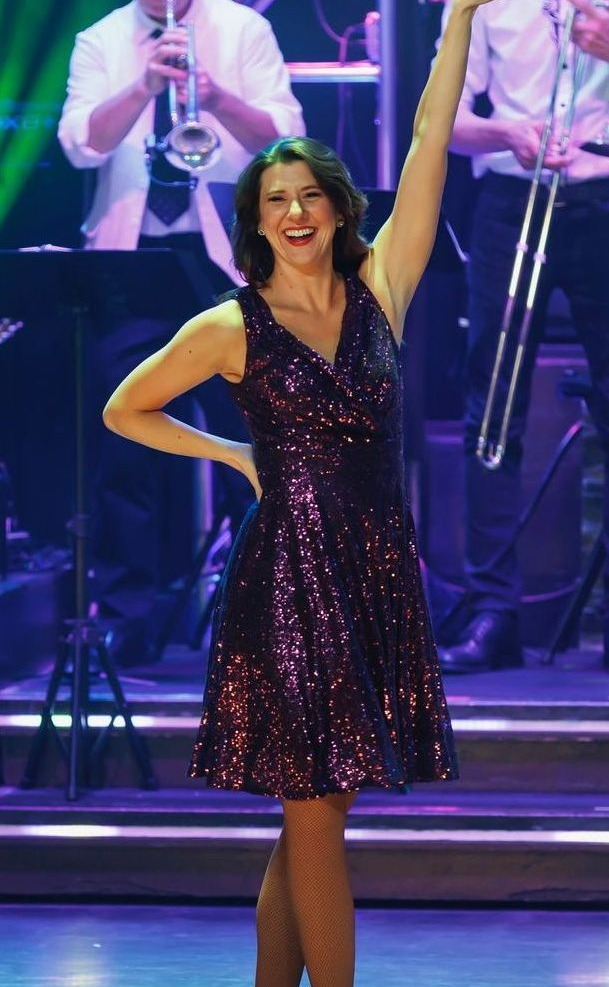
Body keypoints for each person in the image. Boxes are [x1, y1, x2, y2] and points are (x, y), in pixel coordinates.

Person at [103, 2, 492, 983]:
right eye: (274, 198)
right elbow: (125, 409)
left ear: (335, 207)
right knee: (313, 808)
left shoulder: (384, 291)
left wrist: (459, 21)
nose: (294, 211)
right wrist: (233, 456)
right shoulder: (228, 325)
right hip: (284, 584)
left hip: (371, 575)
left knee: (317, 813)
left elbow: (429, 141)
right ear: (256, 218)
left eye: (309, 193)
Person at [58, 0, 304, 665]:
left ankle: (263, 614)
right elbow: (80, 144)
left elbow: (286, 135)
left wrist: (215, 95)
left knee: (252, 439)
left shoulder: (242, 28)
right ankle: (125, 617)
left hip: (228, 263)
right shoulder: (100, 39)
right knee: (124, 448)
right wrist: (142, 85)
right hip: (130, 263)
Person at [437, 0, 609, 674]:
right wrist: (506, 131)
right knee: (493, 409)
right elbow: (444, 119)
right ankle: (494, 613)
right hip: (512, 204)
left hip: (605, 199)